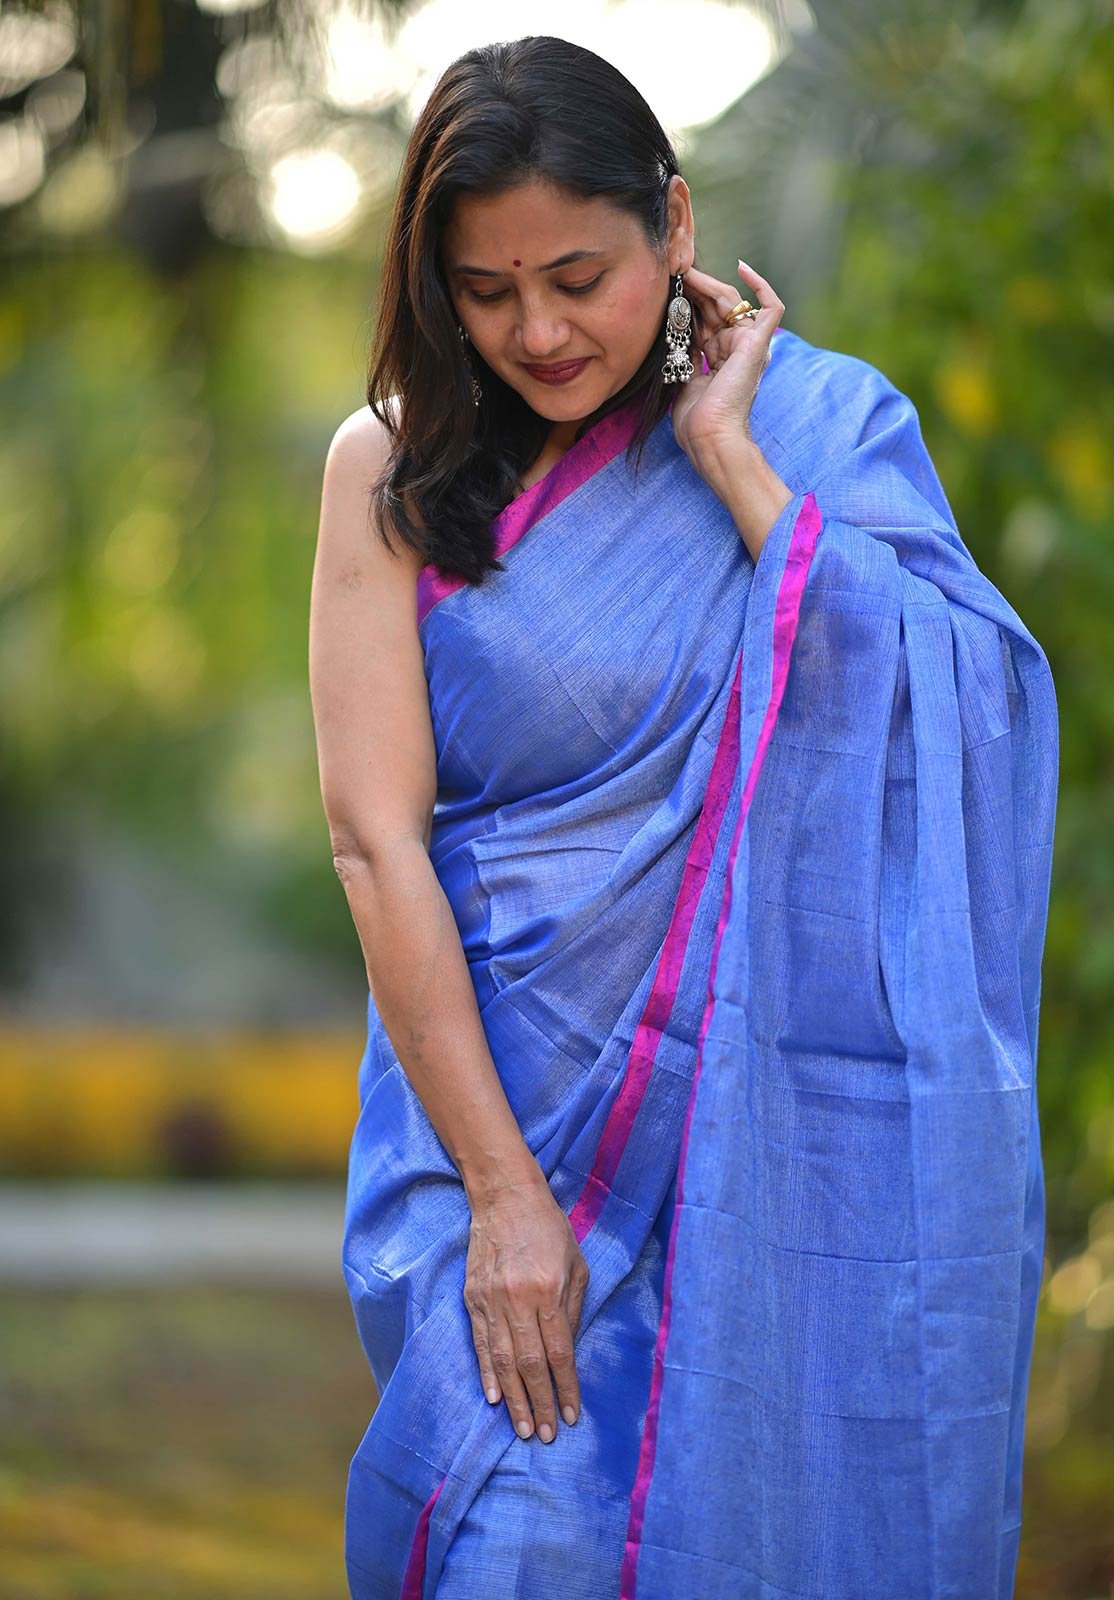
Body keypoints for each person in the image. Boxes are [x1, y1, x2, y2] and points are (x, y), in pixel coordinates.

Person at [307, 34, 1059, 1600]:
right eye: (485, 291)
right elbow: (377, 842)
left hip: (765, 1148)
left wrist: (733, 464)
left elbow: (969, 710)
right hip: (497, 1123)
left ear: (676, 224)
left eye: (579, 278)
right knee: (520, 1540)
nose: (537, 331)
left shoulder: (823, 429)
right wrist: (505, 1195)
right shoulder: (391, 473)